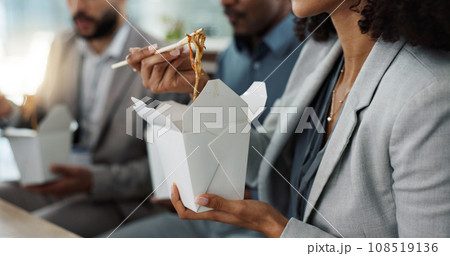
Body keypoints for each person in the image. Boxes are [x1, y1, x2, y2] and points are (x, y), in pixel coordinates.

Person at [125, 0, 450, 237]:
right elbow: (265, 158)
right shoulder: (320, 53)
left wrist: (277, 229)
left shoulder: (427, 96)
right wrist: (204, 90)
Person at [106, 0, 303, 238]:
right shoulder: (230, 56)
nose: (226, 2)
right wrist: (198, 88)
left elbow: (294, 167)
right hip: (204, 214)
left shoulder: (309, 56)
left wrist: (247, 191)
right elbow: (221, 140)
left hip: (270, 226)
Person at [0, 0, 188, 237]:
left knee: (31, 233)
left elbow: (168, 168)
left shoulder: (159, 60)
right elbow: (43, 119)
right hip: (62, 179)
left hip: (121, 198)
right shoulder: (62, 45)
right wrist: (8, 111)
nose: (78, 7)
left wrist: (93, 181)